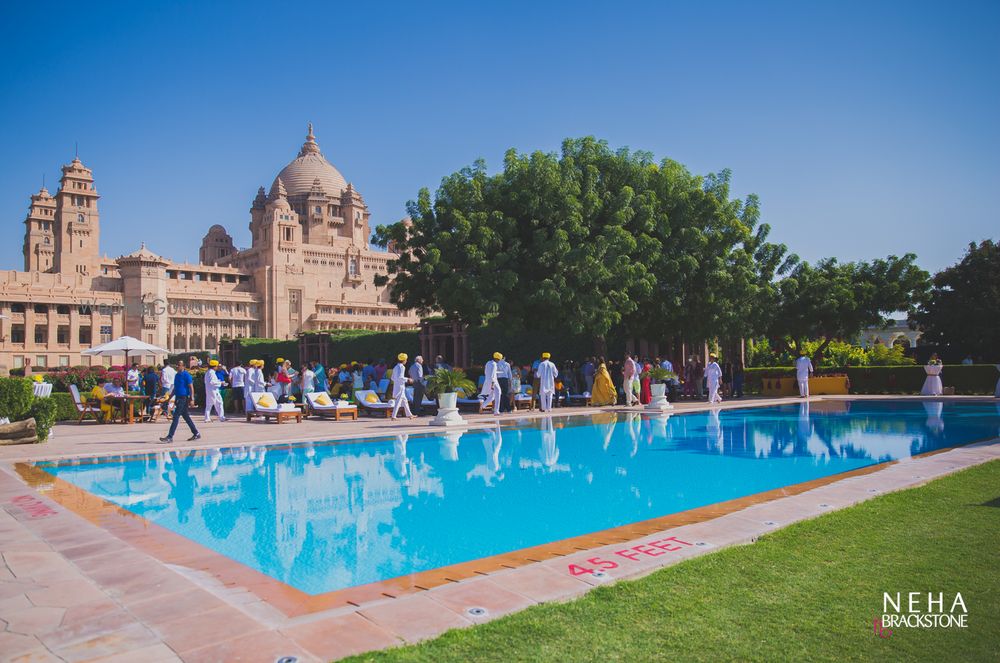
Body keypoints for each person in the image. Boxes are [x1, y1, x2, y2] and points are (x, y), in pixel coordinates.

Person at [160, 361, 200, 442]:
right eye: (177, 365)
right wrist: (169, 397)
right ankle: (196, 433)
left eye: (179, 365)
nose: (177, 366)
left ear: (183, 366)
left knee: (176, 416)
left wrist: (192, 399)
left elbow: (191, 387)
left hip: (183, 398)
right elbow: (175, 388)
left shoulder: (186, 375)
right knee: (186, 416)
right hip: (178, 398)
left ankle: (170, 436)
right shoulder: (177, 375)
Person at [390, 353, 415, 420]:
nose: (406, 361)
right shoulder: (402, 367)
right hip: (400, 387)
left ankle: (409, 414)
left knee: (405, 401)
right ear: (404, 360)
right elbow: (400, 377)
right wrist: (408, 379)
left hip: (397, 386)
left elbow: (392, 378)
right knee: (398, 401)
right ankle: (393, 416)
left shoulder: (395, 367)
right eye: (406, 359)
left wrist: (398, 381)